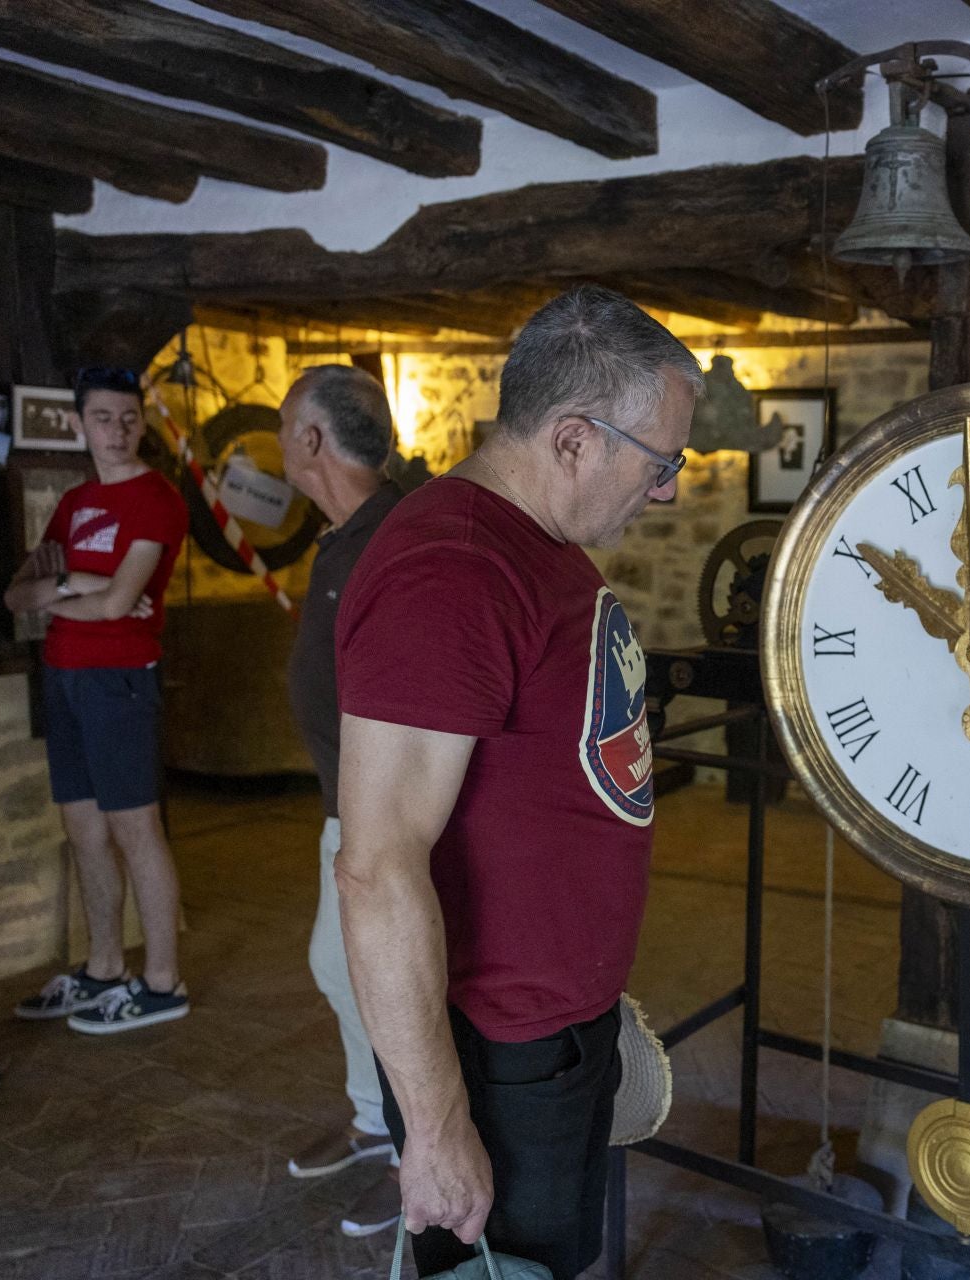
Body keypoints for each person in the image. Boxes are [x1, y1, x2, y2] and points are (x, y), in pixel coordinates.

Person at [335, 285, 699, 1278]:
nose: (666, 488)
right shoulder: (450, 568)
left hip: (551, 1033)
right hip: (497, 1052)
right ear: (575, 438)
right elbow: (376, 866)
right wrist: (439, 1121)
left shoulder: (540, 548)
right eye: (660, 461)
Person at [3, 366, 190, 1033]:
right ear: (79, 424)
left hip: (119, 678)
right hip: (64, 676)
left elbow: (118, 605)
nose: (118, 430)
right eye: (104, 418)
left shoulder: (157, 498)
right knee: (84, 831)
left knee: (136, 829)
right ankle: (104, 965)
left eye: (129, 418)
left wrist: (69, 591)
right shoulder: (75, 503)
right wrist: (76, 583)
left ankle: (164, 981)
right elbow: (16, 595)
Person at [276, 365, 405, 1237]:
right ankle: (373, 1116)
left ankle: (414, 1147)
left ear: (314, 440)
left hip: (383, 810)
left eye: (286, 428)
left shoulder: (388, 537)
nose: (280, 444)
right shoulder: (344, 533)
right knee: (338, 967)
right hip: (344, 803)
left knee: (380, 980)